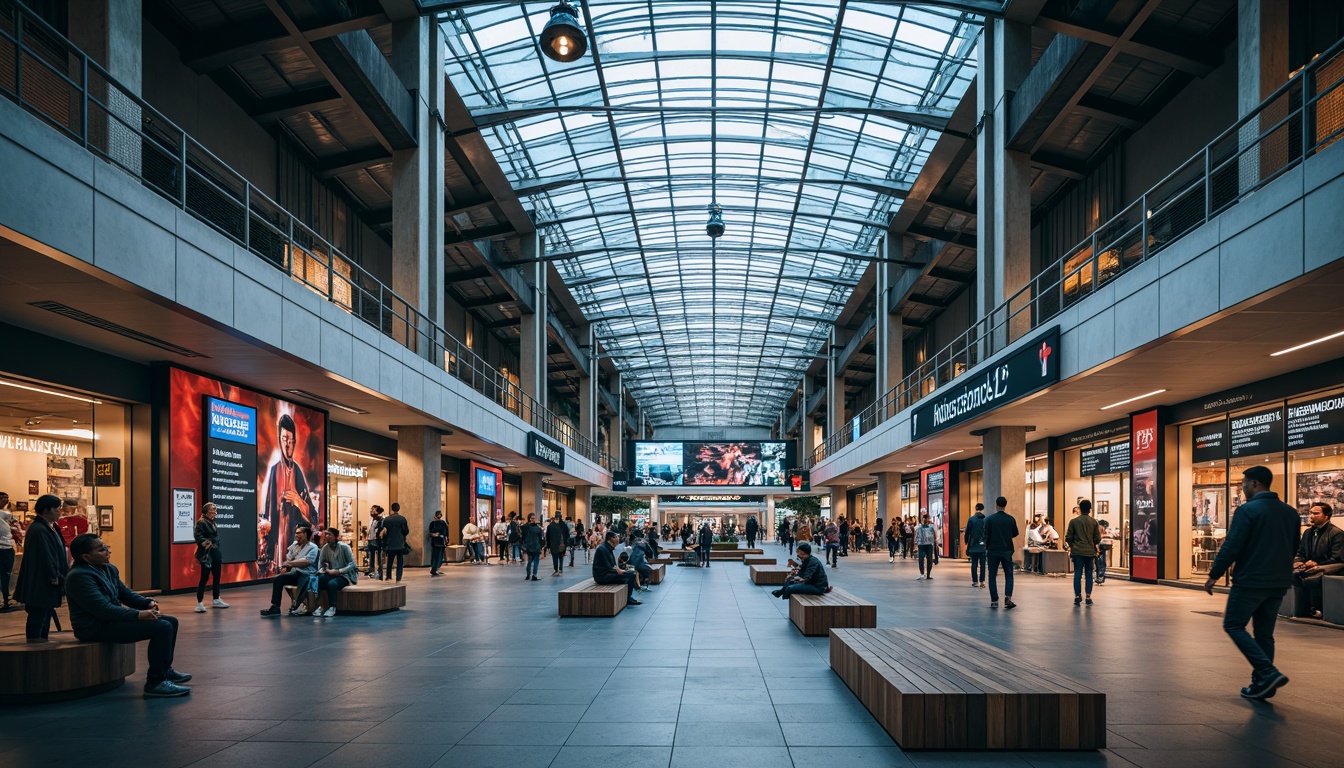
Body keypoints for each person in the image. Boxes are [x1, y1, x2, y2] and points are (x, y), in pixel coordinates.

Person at [1204, 465, 1300, 700]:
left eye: (1244, 483)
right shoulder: (1290, 512)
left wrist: (1214, 574)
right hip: (1278, 582)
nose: (1243, 487)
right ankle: (1261, 684)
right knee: (1265, 634)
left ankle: (1267, 672)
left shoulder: (1248, 510)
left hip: (1251, 581)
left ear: (1255, 483)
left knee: (1234, 625)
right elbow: (1294, 546)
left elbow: (1232, 545)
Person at [65, 534, 191, 697]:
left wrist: (147, 603)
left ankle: (165, 670)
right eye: (102, 549)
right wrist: (139, 614)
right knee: (162, 627)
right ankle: (155, 682)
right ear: (86, 557)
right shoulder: (79, 577)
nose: (107, 551)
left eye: (106, 547)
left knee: (171, 622)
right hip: (94, 627)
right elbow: (103, 610)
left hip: (110, 621)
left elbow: (125, 594)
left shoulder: (108, 568)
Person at [262, 413, 316, 575]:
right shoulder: (274, 470)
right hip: (277, 541)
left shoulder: (297, 471)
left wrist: (299, 501)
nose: (288, 445)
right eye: (285, 440)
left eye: (291, 441)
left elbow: (312, 515)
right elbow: (267, 510)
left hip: (292, 536)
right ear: (279, 440)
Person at [14, 495, 67, 641]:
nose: (59, 512)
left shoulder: (48, 527)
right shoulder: (39, 529)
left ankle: (42, 639)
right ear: (47, 510)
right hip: (41, 580)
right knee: (38, 612)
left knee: (45, 612)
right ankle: (35, 641)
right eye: (57, 509)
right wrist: (53, 575)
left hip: (46, 579)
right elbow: (46, 555)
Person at [1290, 503, 1344, 618]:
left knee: (1311, 575)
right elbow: (1300, 553)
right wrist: (1298, 562)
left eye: (1316, 513)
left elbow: (1337, 558)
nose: (1312, 516)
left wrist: (1316, 564)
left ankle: (1317, 607)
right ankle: (1304, 609)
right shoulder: (1307, 533)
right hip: (1311, 565)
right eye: (1311, 513)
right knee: (1293, 572)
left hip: (1332, 566)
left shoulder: (1336, 533)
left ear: (1327, 516)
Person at [259, 524, 319, 617]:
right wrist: (287, 565)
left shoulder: (312, 547)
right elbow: (289, 558)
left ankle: (299, 606)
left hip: (307, 574)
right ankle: (275, 607)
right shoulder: (294, 545)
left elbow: (307, 561)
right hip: (295, 572)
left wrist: (291, 563)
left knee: (302, 583)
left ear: (306, 534)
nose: (296, 535)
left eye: (299, 533)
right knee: (278, 579)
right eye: (296, 533)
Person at [984, 496, 1019, 610]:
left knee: (992, 575)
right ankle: (1008, 598)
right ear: (1005, 505)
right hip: (1007, 550)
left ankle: (994, 600)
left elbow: (985, 534)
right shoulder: (1011, 519)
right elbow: (1014, 533)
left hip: (993, 551)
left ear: (996, 505)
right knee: (1009, 575)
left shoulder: (989, 519)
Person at [193, 502, 229, 613]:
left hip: (215, 551)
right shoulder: (201, 522)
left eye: (215, 509)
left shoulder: (212, 522)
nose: (215, 511)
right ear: (207, 511)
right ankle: (199, 603)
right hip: (207, 553)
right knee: (204, 577)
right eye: (213, 509)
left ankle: (216, 599)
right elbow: (198, 536)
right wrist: (206, 542)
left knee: (217, 576)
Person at [314, 526, 358, 616]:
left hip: (344, 575)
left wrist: (339, 571)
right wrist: (324, 569)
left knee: (332, 584)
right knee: (319, 580)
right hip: (330, 573)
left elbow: (353, 564)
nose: (326, 536)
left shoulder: (344, 547)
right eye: (325, 534)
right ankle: (320, 605)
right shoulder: (325, 548)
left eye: (329, 534)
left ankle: (332, 607)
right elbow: (321, 562)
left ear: (336, 536)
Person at [1065, 500, 1101, 606]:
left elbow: (1068, 537)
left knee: (1077, 574)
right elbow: (1097, 538)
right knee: (1089, 574)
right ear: (1090, 509)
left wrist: (1073, 546)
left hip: (1077, 552)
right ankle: (1088, 596)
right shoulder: (1093, 522)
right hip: (1090, 552)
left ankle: (1077, 596)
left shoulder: (1073, 522)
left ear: (1080, 508)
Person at [593, 531, 640, 605]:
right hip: (602, 576)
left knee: (630, 574)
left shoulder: (608, 548)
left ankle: (628, 597)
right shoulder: (602, 549)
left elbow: (612, 565)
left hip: (607, 573)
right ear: (610, 539)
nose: (618, 539)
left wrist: (622, 567)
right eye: (616, 537)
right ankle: (628, 598)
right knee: (630, 575)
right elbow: (608, 566)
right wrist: (619, 571)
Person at [381, 502, 410, 582]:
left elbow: (384, 532)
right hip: (400, 543)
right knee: (400, 561)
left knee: (390, 560)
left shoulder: (387, 519)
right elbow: (406, 531)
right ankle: (398, 576)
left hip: (390, 543)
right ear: (399, 509)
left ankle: (388, 575)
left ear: (391, 508)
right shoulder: (402, 519)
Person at [0, 491, 18, 612]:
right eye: (2, 498)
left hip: (7, 547)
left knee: (6, 575)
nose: (5, 500)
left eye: (7, 498)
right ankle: (5, 600)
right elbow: (13, 520)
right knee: (4, 575)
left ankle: (6, 600)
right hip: (3, 549)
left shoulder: (6, 514)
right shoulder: (4, 514)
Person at [964, 503, 987, 588]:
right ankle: (982, 581)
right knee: (983, 564)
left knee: (974, 563)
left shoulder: (971, 519)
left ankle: (975, 581)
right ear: (983, 509)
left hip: (973, 545)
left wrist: (966, 542)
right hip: (983, 545)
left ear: (975, 508)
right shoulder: (986, 519)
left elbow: (967, 532)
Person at [521, 512, 543, 581]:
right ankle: (534, 575)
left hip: (529, 547)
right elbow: (541, 538)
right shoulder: (538, 528)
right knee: (536, 562)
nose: (533, 520)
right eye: (533, 518)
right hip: (536, 547)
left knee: (530, 561)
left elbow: (523, 535)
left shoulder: (526, 527)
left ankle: (528, 575)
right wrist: (541, 547)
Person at [915, 513, 937, 580]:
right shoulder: (919, 526)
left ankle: (927, 574)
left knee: (928, 559)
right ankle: (923, 574)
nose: (925, 520)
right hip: (923, 544)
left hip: (928, 544)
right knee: (922, 559)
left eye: (926, 518)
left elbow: (935, 535)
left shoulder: (931, 526)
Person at [365, 505, 385, 578]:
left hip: (377, 540)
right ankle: (371, 569)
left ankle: (379, 570)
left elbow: (381, 529)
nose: (371, 511)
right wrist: (367, 537)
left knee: (379, 555)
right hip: (371, 539)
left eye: (373, 510)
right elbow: (370, 529)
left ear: (378, 512)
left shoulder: (381, 520)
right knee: (371, 555)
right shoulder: (371, 520)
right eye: (371, 510)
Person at [428, 511, 449, 576]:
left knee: (440, 556)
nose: (439, 516)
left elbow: (446, 532)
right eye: (438, 514)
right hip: (436, 541)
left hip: (441, 541)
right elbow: (430, 532)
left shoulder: (442, 523)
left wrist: (446, 539)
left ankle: (436, 568)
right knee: (436, 556)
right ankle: (434, 569)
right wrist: (434, 534)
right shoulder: (433, 523)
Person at [1096, 520, 1113, 585]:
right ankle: (1100, 576)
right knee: (1099, 562)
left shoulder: (1106, 530)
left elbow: (1111, 536)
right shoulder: (1099, 530)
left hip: (1101, 547)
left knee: (1100, 561)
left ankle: (1100, 576)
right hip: (1099, 547)